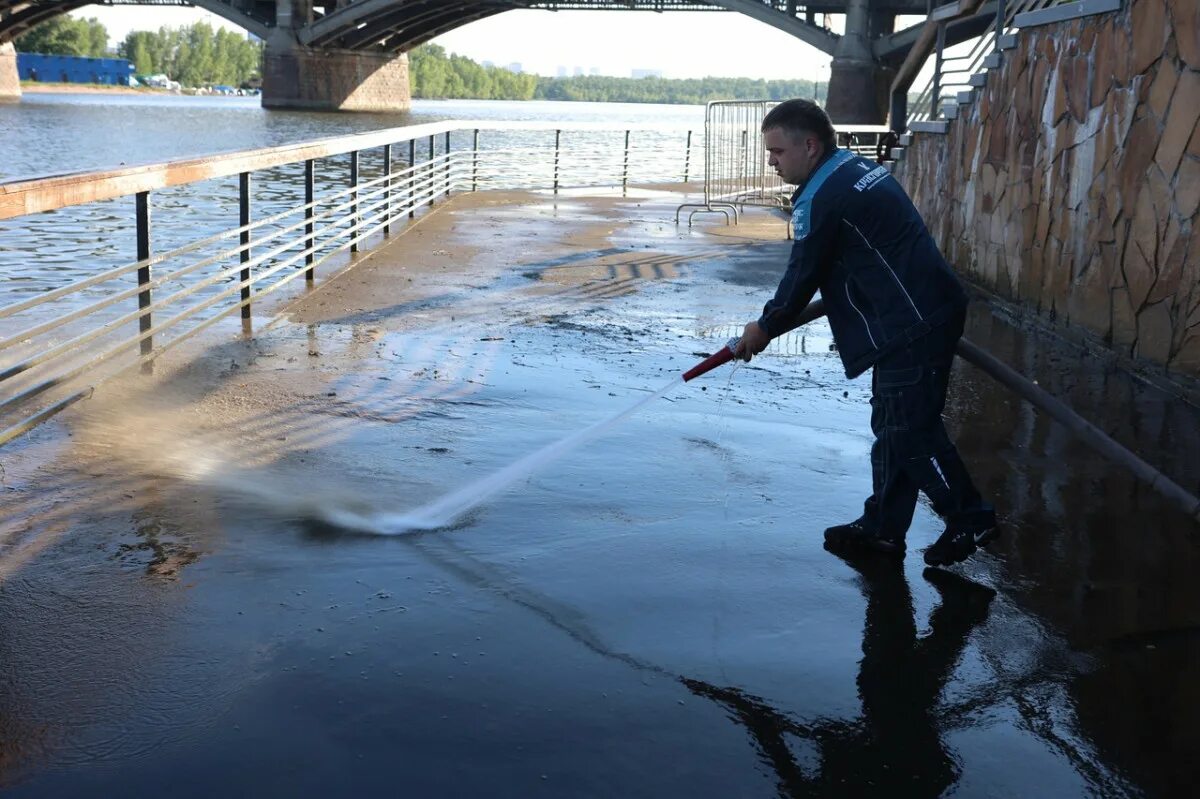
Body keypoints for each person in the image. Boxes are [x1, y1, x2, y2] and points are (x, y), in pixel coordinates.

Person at [734, 98, 996, 567]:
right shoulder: (849, 168)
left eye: (776, 151)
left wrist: (764, 327)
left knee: (911, 432)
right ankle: (883, 528)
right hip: (920, 312)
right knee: (893, 426)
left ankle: (970, 518)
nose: (770, 161)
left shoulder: (824, 196)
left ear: (810, 146)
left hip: (912, 323)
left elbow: (802, 275)